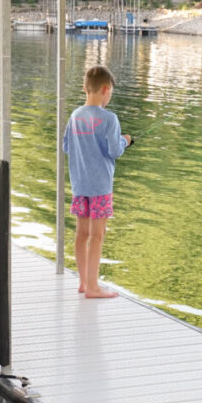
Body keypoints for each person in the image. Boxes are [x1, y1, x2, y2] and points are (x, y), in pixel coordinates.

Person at [64, 65, 131, 299]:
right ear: (105, 89)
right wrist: (125, 140)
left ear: (85, 88)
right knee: (97, 235)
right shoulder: (109, 119)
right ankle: (93, 287)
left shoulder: (75, 116)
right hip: (101, 186)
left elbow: (66, 146)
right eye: (110, 91)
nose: (109, 96)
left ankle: (83, 282)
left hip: (80, 185)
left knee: (81, 234)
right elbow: (115, 151)